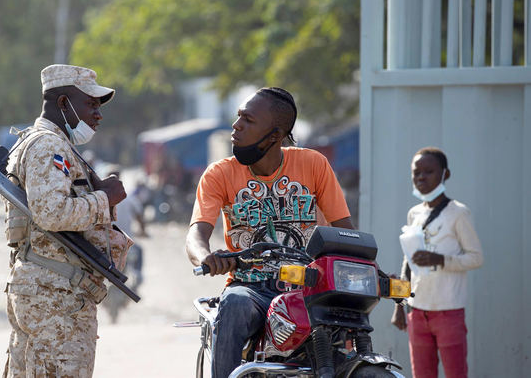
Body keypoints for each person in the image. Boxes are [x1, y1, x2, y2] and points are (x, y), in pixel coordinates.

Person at [185, 87, 354, 378]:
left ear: (275, 135)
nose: (236, 126)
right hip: (251, 288)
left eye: (248, 120)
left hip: (307, 286)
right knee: (234, 303)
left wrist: (369, 266)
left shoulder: (313, 164)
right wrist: (207, 257)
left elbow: (345, 231)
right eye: (238, 117)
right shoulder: (219, 174)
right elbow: (196, 235)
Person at [2, 64, 132, 377]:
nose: (98, 114)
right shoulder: (49, 146)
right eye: (91, 104)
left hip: (49, 292)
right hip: (55, 298)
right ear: (63, 103)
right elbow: (51, 212)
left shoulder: (45, 143)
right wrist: (106, 198)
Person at [391, 147, 483, 378]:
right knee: (422, 374)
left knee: (455, 373)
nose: (421, 177)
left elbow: (476, 257)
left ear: (445, 175)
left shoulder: (458, 213)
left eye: (429, 171)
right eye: (416, 172)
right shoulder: (414, 213)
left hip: (448, 312)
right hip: (418, 311)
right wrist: (400, 306)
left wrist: (440, 259)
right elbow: (408, 262)